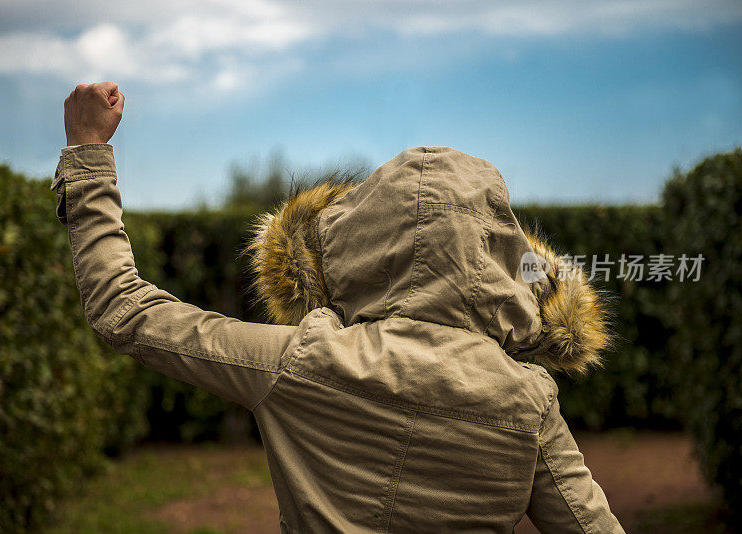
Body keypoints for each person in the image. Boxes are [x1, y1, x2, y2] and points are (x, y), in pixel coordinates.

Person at [54, 81, 624, 533]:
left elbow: (122, 309)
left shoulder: (300, 361)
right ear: (498, 252)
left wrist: (88, 153)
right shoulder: (528, 400)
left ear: (358, 245)